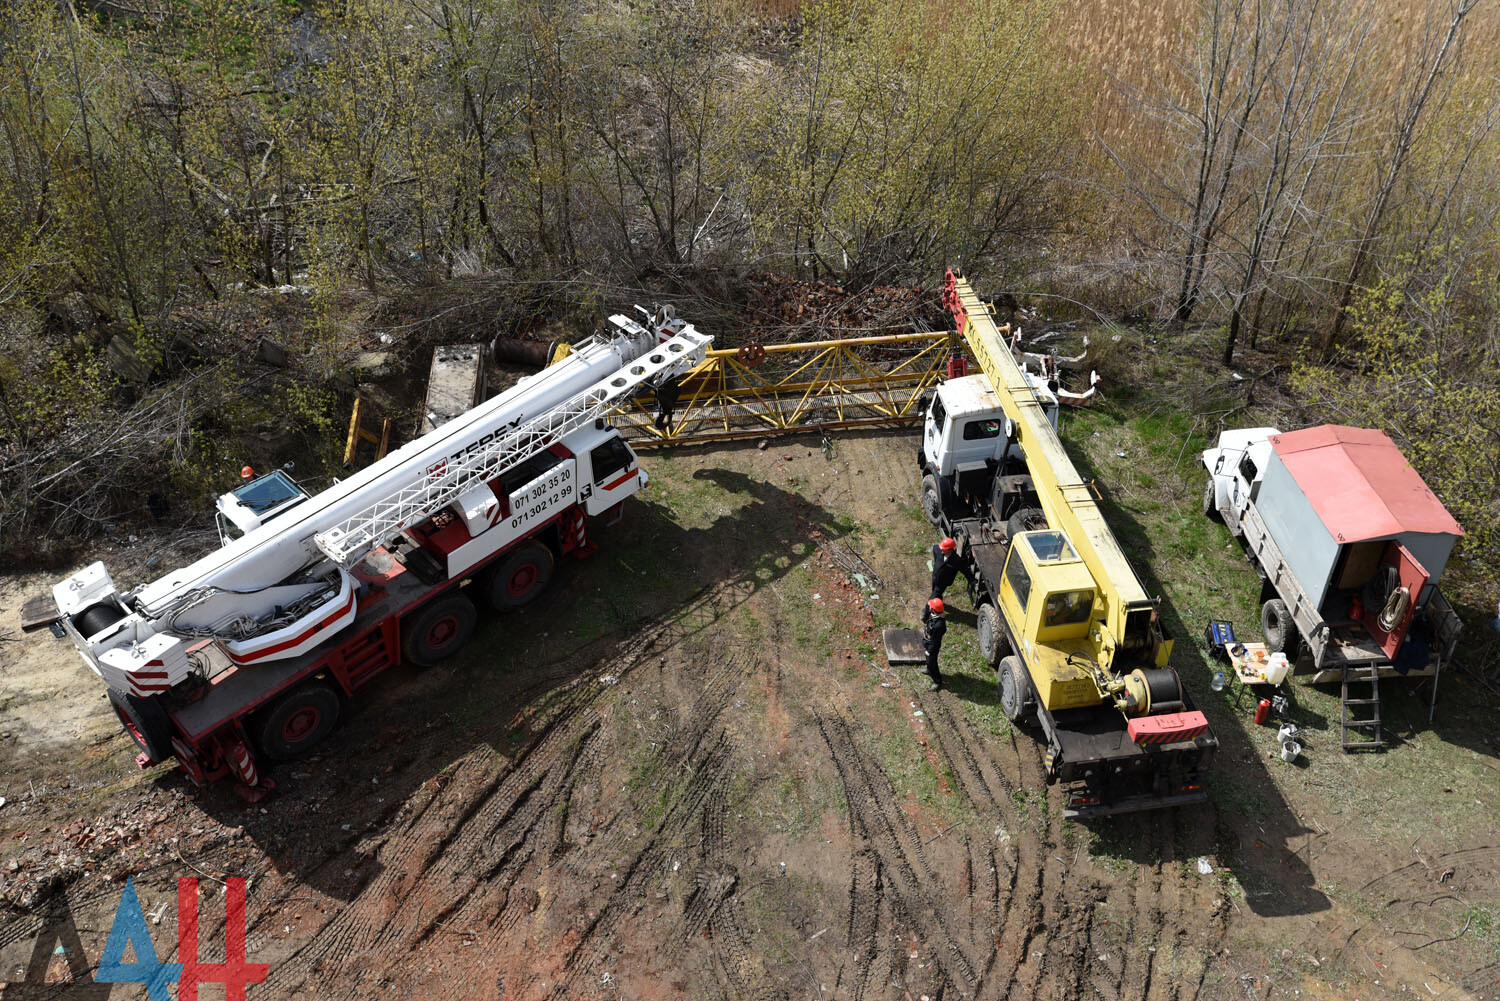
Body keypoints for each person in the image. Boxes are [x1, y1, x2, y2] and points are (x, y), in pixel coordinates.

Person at [922, 597, 947, 692]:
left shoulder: (939, 625)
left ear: (933, 609)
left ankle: (937, 681)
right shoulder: (934, 615)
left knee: (932, 662)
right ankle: (929, 670)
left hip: (932, 647)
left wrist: (929, 651)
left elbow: (935, 641)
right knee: (929, 661)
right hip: (928, 642)